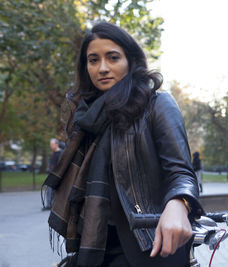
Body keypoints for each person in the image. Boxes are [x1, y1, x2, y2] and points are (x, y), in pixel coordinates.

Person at [42, 22, 203, 267]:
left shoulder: (156, 105)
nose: (103, 68)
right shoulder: (85, 118)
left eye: (113, 58)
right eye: (93, 60)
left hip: (149, 244)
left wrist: (178, 205)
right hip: (95, 248)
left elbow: (181, 173)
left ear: (131, 61)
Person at [43, 138, 63, 210]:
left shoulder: (60, 153)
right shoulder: (53, 153)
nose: (50, 146)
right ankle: (49, 205)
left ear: (56, 144)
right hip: (51, 174)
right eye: (50, 144)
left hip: (56, 175)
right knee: (49, 190)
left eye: (52, 144)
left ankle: (51, 205)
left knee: (52, 190)